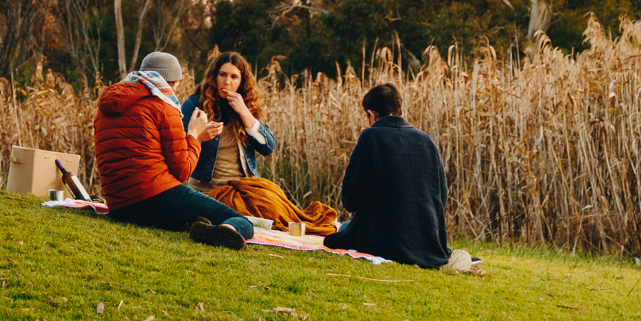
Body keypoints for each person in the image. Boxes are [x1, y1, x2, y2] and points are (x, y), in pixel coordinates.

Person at [93, 50, 255, 251]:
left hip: (119, 206)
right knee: (243, 222)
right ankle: (225, 229)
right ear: (171, 82)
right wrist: (193, 133)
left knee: (192, 218)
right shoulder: (163, 106)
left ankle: (201, 227)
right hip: (156, 197)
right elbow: (182, 171)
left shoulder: (104, 108)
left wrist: (194, 138)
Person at [180, 51, 339, 235]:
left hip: (244, 189)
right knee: (240, 214)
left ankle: (218, 226)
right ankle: (222, 227)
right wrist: (199, 137)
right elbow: (178, 150)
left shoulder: (248, 107)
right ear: (214, 77)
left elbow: (268, 148)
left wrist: (245, 113)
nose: (227, 82)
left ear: (242, 82)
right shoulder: (195, 105)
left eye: (234, 77)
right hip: (207, 190)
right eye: (222, 75)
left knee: (274, 203)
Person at [323, 83, 453, 268]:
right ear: (400, 110)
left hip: (385, 238)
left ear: (371, 114)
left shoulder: (371, 136)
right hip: (428, 239)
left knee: (341, 230)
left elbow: (351, 200)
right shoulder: (426, 141)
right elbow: (442, 197)